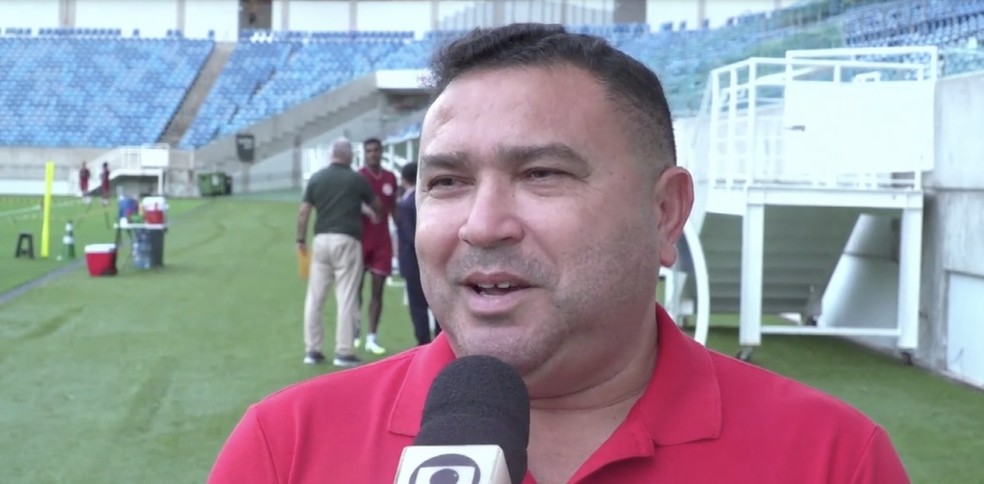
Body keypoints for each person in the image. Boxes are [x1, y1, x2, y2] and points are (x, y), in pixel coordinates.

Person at [208, 24, 909, 483]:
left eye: (542, 174)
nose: (482, 225)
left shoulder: (833, 461)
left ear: (664, 213)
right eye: (447, 181)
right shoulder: (284, 450)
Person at [296, 138, 381, 368]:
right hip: (347, 238)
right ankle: (344, 351)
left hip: (321, 239)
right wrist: (372, 212)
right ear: (348, 155)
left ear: (332, 154)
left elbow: (304, 212)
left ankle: (312, 349)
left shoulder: (317, 178)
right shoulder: (357, 179)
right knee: (346, 297)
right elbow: (376, 205)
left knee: (315, 297)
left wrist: (300, 239)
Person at [356, 137, 398, 355]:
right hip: (361, 240)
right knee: (355, 290)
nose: (373, 153)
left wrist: (404, 235)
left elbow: (394, 210)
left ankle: (372, 336)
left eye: (376, 150)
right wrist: (365, 210)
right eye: (369, 150)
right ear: (364, 153)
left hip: (382, 242)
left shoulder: (390, 178)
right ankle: (354, 330)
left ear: (381, 152)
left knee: (378, 290)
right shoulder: (359, 177)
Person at [395, 161, 440, 345]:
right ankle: (439, 340)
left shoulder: (406, 204)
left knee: (418, 307)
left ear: (403, 179)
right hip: (433, 260)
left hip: (414, 263)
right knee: (437, 304)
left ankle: (423, 343)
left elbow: (409, 236)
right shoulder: (429, 200)